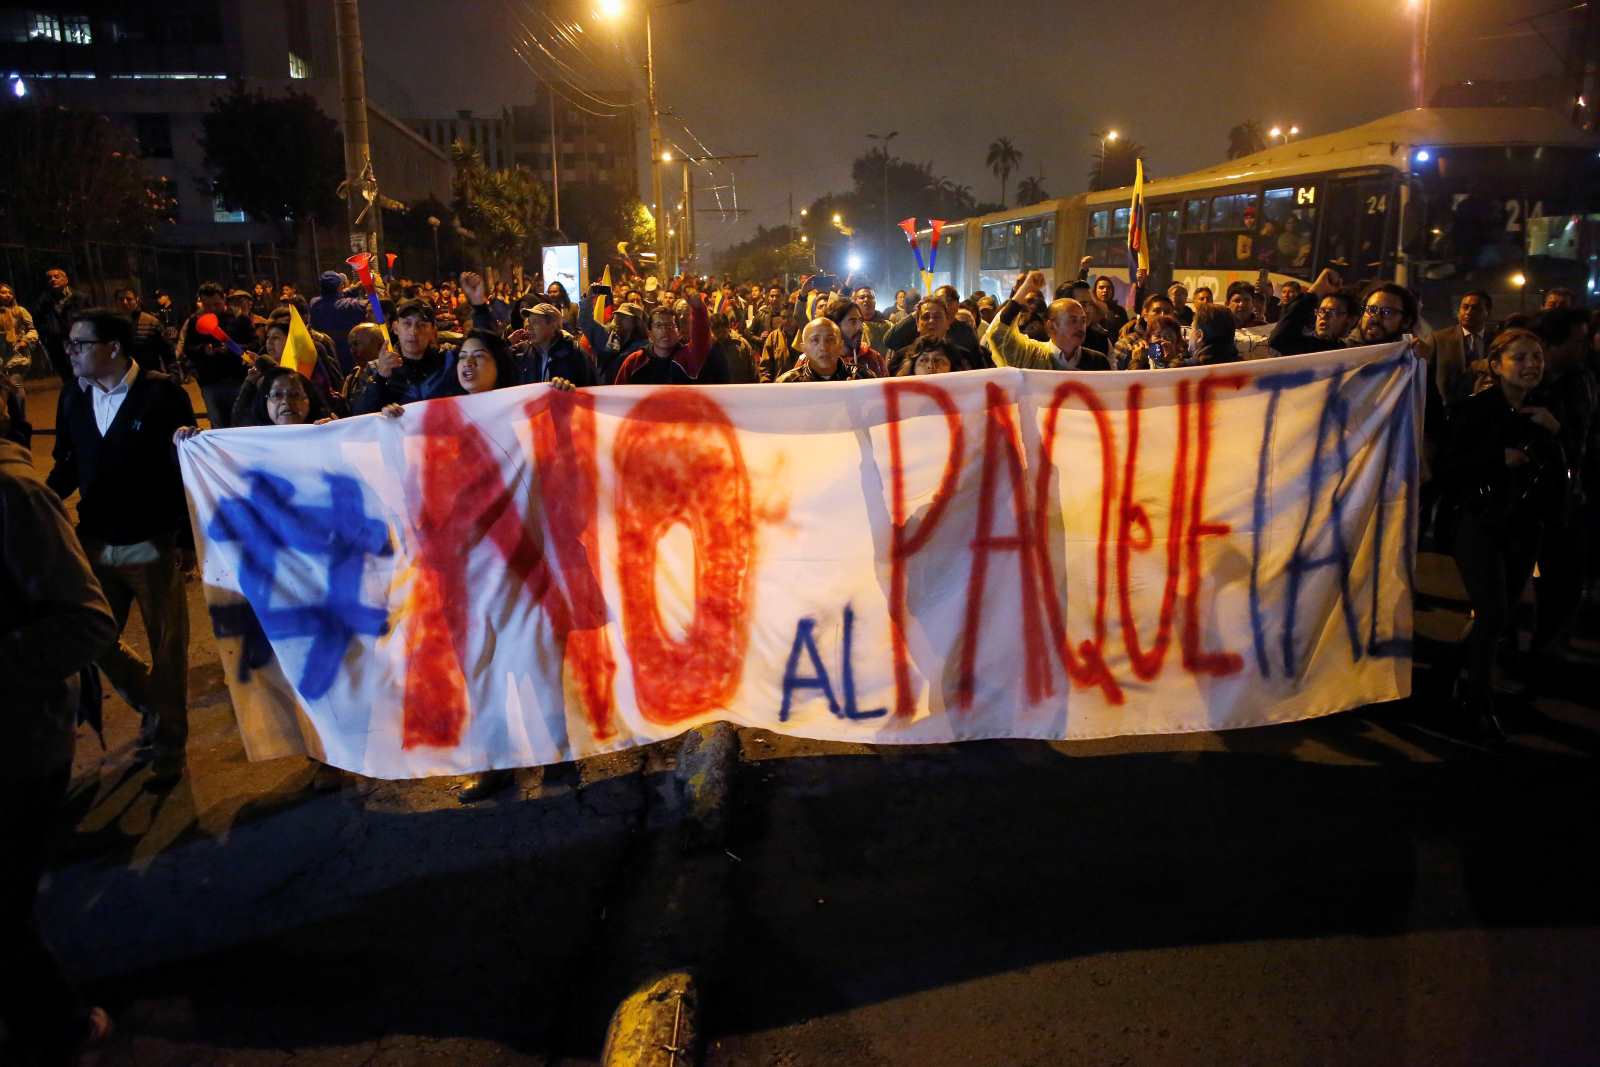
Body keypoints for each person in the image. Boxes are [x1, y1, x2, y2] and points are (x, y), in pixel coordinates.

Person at [1, 375, 118, 1065]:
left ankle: (57, 1027)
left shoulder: (13, 495)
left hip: (18, 741)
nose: (75, 358)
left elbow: (85, 620)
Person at [48, 308, 197, 787]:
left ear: (112, 347)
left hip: (150, 544)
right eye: (69, 344)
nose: (70, 352)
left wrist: (187, 539)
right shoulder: (72, 396)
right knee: (92, 637)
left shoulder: (160, 394)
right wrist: (35, 500)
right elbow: (67, 464)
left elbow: (187, 467)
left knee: (167, 645)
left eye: (80, 343)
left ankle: (170, 746)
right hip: (93, 542)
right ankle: (153, 702)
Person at [1437, 328, 1566, 739]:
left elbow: (1564, 472)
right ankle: (1478, 703)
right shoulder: (1474, 409)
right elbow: (1448, 467)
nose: (1531, 366)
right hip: (1480, 523)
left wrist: (1555, 433)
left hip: (1525, 527)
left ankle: (1445, 678)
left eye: (1537, 358)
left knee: (1500, 614)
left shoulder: (1545, 411)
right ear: (1496, 365)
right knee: (1491, 612)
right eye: (1520, 358)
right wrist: (1498, 459)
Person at [1527, 307, 1595, 663]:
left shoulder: (1580, 379)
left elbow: (1583, 438)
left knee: (1562, 580)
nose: (1585, 347)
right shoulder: (1527, 380)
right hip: (1524, 499)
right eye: (1578, 340)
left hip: (1568, 498)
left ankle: (1547, 645)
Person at [348, 273, 496, 413]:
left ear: (433, 330)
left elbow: (484, 345)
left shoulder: (448, 362)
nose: (413, 332)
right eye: (407, 324)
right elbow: (359, 418)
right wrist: (380, 379)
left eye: (421, 325)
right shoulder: (375, 369)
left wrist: (480, 306)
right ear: (395, 328)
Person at [989, 270, 1111, 371]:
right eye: (1073, 320)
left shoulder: (1098, 361)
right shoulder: (1031, 355)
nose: (1080, 326)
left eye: (1082, 320)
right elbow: (1000, 335)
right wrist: (1024, 289)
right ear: (1051, 326)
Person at [178, 281, 253, 429]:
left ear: (224, 299)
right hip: (211, 382)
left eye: (216, 304)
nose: (212, 309)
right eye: (207, 305)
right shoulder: (195, 321)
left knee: (243, 423)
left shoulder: (239, 318)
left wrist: (234, 349)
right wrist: (204, 349)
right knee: (218, 425)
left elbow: (255, 344)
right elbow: (188, 348)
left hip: (238, 380)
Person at [614, 292, 724, 385]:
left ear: (679, 332)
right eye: (658, 325)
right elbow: (619, 393)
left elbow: (701, 340)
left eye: (670, 326)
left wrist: (699, 310)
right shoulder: (635, 361)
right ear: (650, 333)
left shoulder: (688, 357)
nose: (665, 330)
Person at [1419, 291, 1493, 409]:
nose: (1468, 312)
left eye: (1475, 308)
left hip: (1485, 408)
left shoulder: (1496, 340)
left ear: (1487, 313)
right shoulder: (1438, 339)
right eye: (1465, 307)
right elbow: (1424, 373)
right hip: (1448, 408)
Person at [1268, 268, 1361, 356]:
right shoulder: (1309, 346)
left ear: (1350, 320)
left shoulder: (1354, 353)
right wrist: (1315, 292)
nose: (1324, 316)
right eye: (1321, 311)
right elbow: (1278, 340)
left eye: (1332, 312)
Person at [514, 303, 597, 387]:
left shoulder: (574, 353)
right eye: (529, 322)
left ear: (553, 326)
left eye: (535, 322)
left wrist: (570, 391)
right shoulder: (525, 352)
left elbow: (590, 389)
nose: (529, 327)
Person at [308, 271, 371, 373]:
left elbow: (332, 297)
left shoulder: (314, 304)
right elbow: (372, 306)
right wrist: (371, 286)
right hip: (348, 359)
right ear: (339, 287)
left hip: (327, 359)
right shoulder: (349, 306)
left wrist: (355, 288)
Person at [776, 318, 875, 382]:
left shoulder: (862, 377)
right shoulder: (788, 383)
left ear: (840, 346)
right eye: (815, 340)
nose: (823, 347)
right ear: (804, 349)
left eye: (830, 340)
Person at [32, 268, 87, 382]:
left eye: (56, 277)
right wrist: (48, 338)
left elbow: (90, 319)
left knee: (85, 376)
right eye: (49, 278)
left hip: (80, 344)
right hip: (57, 346)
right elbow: (38, 323)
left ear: (66, 280)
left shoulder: (80, 299)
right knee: (67, 378)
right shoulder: (42, 303)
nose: (52, 280)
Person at [113, 287, 175, 374]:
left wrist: (173, 374)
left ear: (137, 300)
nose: (125, 302)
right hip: (123, 378)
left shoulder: (151, 322)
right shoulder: (111, 326)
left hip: (149, 375)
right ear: (116, 302)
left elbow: (167, 351)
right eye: (121, 299)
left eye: (129, 299)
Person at [825, 296, 887, 378]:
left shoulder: (874, 358)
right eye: (853, 322)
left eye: (861, 321)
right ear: (835, 326)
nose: (860, 327)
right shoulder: (822, 360)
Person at [0, 281, 39, 380]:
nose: (8, 295)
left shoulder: (19, 311)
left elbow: (32, 329)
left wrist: (25, 341)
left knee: (16, 385)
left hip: (15, 354)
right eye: (3, 292)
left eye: (10, 293)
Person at [710, 311, 761, 384]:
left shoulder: (741, 345)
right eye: (717, 333)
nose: (721, 335)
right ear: (712, 331)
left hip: (740, 391)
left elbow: (753, 371)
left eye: (723, 332)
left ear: (728, 328)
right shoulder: (708, 348)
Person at [759, 304, 798, 382]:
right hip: (780, 385)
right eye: (783, 317)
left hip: (801, 384)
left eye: (790, 317)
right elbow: (765, 366)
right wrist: (766, 383)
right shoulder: (773, 337)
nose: (787, 321)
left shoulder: (802, 335)